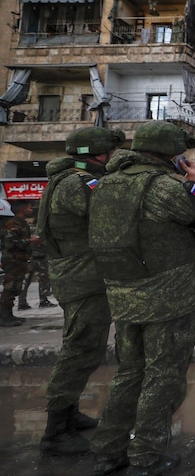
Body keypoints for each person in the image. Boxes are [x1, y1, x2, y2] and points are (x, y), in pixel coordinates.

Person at [88, 121, 195, 476]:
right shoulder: (165, 188)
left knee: (129, 374)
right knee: (162, 375)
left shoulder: (105, 184)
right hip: (168, 297)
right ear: (172, 155)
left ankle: (108, 450)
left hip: (124, 295)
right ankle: (146, 454)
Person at [36, 126, 125, 456]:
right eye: (111, 153)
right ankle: (56, 430)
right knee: (79, 349)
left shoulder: (68, 179)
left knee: (84, 347)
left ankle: (68, 413)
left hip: (80, 276)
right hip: (82, 278)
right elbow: (112, 214)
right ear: (98, 154)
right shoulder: (77, 183)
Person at [1, 200, 36, 327]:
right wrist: (30, 241)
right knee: (10, 288)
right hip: (12, 260)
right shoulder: (12, 223)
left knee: (15, 288)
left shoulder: (22, 223)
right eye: (29, 206)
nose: (31, 209)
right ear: (22, 209)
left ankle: (9, 314)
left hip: (19, 260)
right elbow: (9, 243)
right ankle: (4, 316)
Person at [18, 233, 55, 309]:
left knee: (26, 281)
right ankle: (42, 301)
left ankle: (22, 302)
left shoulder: (26, 230)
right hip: (37, 259)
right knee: (42, 280)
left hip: (31, 259)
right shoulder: (40, 230)